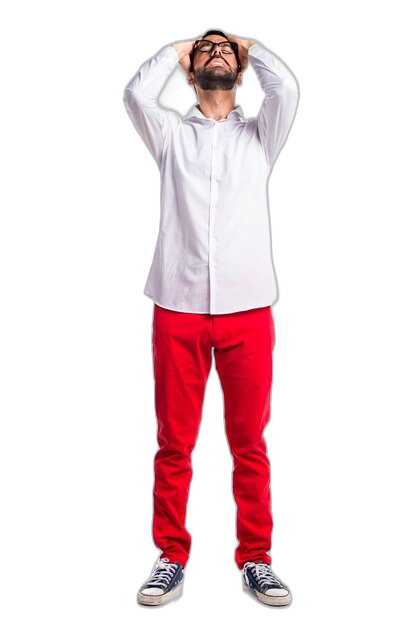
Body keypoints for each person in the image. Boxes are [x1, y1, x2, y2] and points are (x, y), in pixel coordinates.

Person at [123, 29, 299, 609]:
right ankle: (171, 556)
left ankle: (256, 560)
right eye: (206, 50)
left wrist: (247, 44)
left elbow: (286, 88)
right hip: (177, 309)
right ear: (191, 73)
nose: (216, 51)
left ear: (242, 71)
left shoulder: (260, 136)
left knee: (250, 443)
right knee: (174, 443)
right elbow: (136, 94)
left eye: (226, 51)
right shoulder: (171, 134)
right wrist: (179, 49)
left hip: (249, 311)